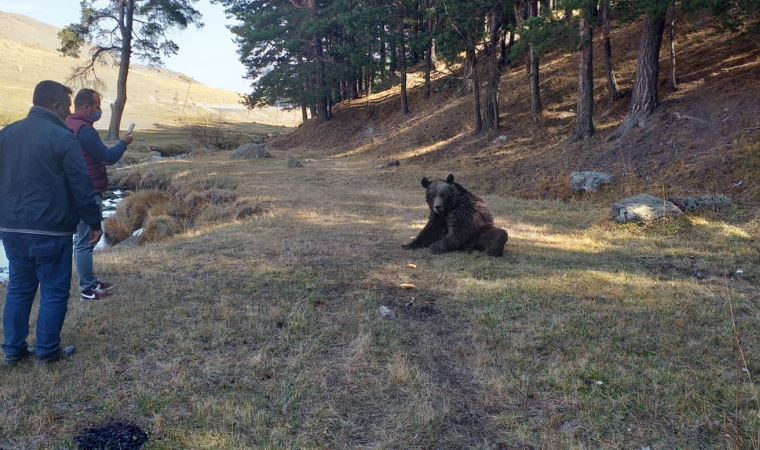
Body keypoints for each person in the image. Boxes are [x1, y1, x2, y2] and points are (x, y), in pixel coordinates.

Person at [0, 80, 102, 366]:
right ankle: (46, 352)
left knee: (19, 287)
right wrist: (94, 222)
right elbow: (81, 186)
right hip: (50, 226)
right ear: (56, 105)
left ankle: (13, 350)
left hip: (11, 227)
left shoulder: (7, 133)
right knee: (55, 289)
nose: (67, 112)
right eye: (67, 106)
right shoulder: (62, 137)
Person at [66, 89, 133, 300]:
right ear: (85, 107)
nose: (99, 111)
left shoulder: (67, 124)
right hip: (88, 191)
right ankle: (87, 288)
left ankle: (90, 281)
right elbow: (107, 157)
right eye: (96, 106)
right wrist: (124, 143)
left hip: (71, 190)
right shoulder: (85, 130)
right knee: (86, 240)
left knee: (81, 239)